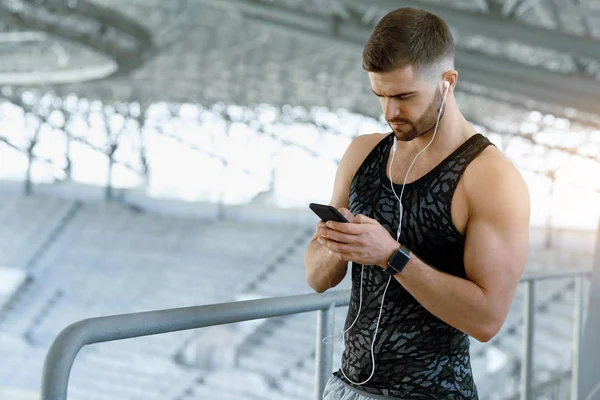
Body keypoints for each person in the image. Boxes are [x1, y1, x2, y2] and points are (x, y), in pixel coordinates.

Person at [304, 7, 530, 400]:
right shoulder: (362, 153)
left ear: (447, 82)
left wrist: (391, 255)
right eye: (380, 95)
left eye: (404, 96)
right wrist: (337, 243)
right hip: (347, 388)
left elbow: (487, 320)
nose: (390, 111)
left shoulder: (491, 178)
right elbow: (317, 278)